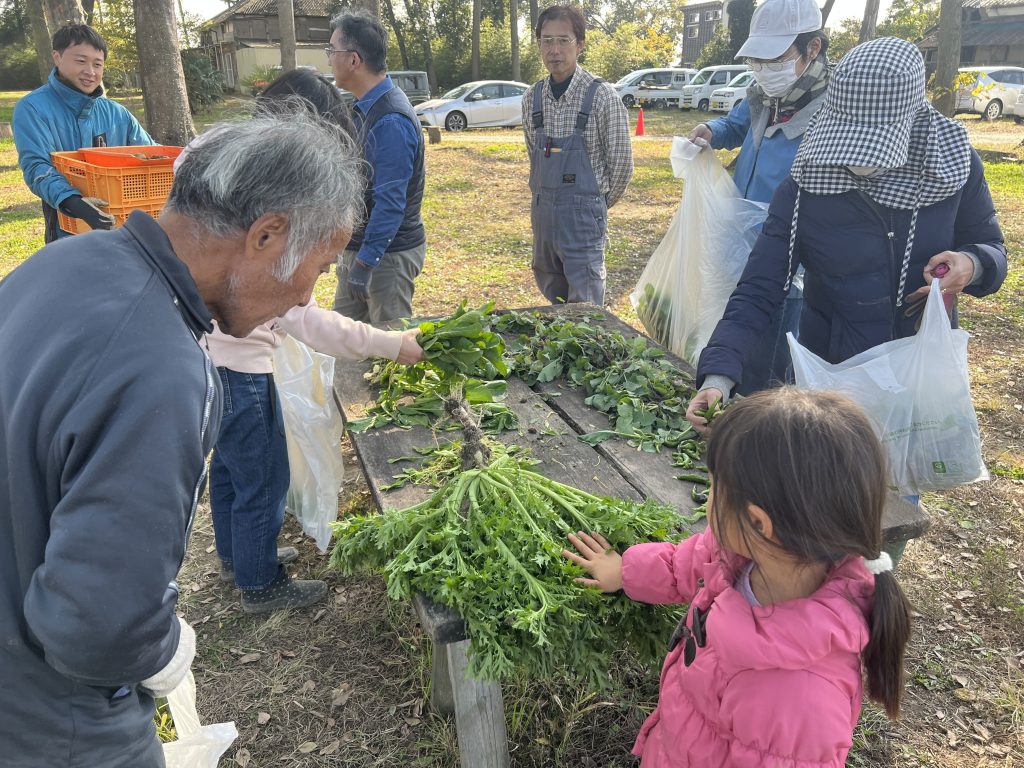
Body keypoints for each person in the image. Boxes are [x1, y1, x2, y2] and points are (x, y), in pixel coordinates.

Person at [0, 112, 362, 766]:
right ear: (267, 234)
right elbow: (95, 629)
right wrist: (157, 647)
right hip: (51, 718)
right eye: (322, 265)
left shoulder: (61, 263)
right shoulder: (166, 369)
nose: (308, 293)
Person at [564, 387, 913, 767]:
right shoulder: (744, 555)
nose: (708, 497)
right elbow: (686, 564)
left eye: (714, 486)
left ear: (758, 522)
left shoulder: (796, 698)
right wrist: (624, 572)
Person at [192, 71, 425, 614]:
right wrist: (393, 345)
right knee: (263, 476)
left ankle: (237, 556)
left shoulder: (224, 178)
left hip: (205, 359)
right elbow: (306, 318)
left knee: (229, 467)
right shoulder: (271, 223)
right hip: (241, 369)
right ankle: (259, 585)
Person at [688, 37, 1006, 427]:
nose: (859, 163)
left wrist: (972, 264)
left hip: (920, 367)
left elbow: (991, 246)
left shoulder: (951, 165)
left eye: (874, 149)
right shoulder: (808, 181)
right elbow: (759, 287)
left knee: (908, 463)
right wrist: (718, 376)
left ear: (911, 121)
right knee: (830, 460)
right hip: (834, 375)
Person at [687, 0, 830, 394]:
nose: (763, 69)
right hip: (741, 238)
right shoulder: (763, 96)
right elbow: (735, 124)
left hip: (792, 255)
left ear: (812, 48)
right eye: (757, 61)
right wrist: (711, 131)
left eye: (774, 59)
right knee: (736, 330)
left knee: (773, 361)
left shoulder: (833, 109)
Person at [522, 3, 633, 306]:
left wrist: (592, 205)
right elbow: (534, 156)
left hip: (583, 221)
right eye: (547, 40)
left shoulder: (602, 97)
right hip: (544, 219)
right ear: (539, 44)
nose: (554, 50)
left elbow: (622, 167)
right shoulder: (532, 98)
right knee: (553, 300)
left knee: (586, 310)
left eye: (563, 40)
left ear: (580, 44)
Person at [12, 23, 153, 243]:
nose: (90, 72)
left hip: (124, 228)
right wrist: (73, 202)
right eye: (80, 61)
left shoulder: (117, 113)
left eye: (97, 64)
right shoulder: (32, 108)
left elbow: (151, 154)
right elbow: (36, 165)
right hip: (67, 228)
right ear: (57, 57)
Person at [328, 11, 426, 326]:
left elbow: (390, 203)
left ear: (353, 60)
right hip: (361, 251)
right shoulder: (365, 107)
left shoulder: (390, 120)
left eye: (332, 50)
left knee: (389, 346)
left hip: (386, 258)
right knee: (342, 339)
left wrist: (366, 262)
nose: (329, 58)